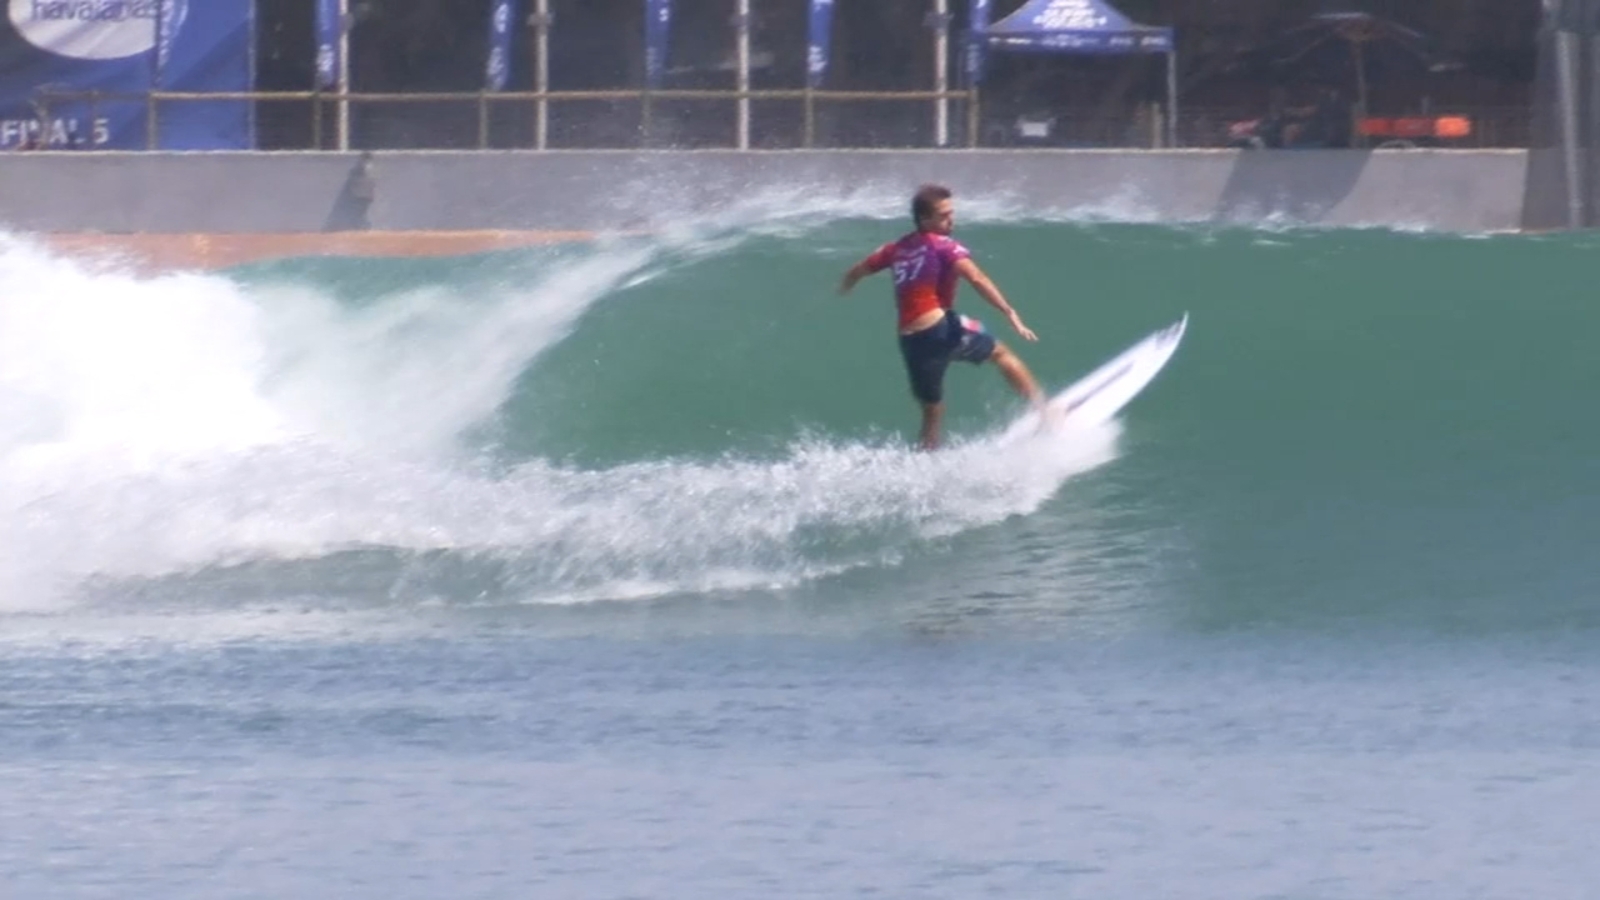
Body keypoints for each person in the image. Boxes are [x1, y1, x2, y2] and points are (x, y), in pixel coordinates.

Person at [838, 184, 1045, 451]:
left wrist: (844, 287)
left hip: (911, 342)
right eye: (944, 215)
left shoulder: (896, 248)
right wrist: (1009, 312)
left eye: (952, 213)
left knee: (932, 411)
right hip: (939, 329)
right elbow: (976, 277)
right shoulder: (944, 246)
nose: (951, 219)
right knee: (1001, 354)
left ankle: (925, 467)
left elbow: (858, 270)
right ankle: (1046, 412)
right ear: (925, 220)